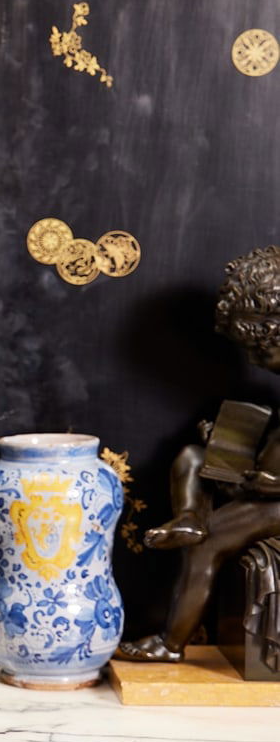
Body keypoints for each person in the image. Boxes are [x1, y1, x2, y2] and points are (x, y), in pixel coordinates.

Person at [117, 246, 280, 662]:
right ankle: (189, 516)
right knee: (193, 455)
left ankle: (170, 643)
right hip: (263, 483)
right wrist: (229, 444)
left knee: (210, 542)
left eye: (261, 350)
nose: (254, 362)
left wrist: (268, 485)